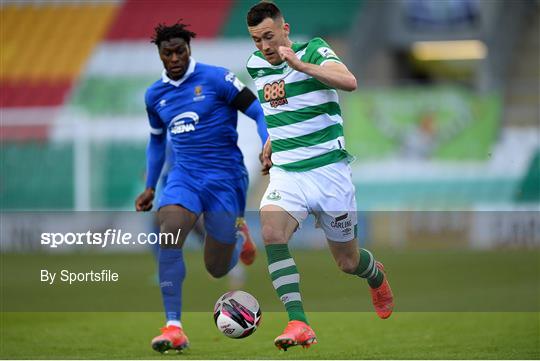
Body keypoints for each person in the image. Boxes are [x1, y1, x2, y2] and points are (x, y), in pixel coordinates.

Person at [245, 2, 394, 351]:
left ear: (285, 29)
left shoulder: (313, 48)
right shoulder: (256, 66)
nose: (264, 47)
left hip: (329, 174)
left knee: (347, 262)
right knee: (270, 230)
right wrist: (270, 138)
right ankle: (298, 322)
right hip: (287, 175)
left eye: (269, 36)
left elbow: (349, 81)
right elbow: (277, 108)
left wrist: (301, 65)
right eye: (256, 40)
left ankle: (375, 275)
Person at [135, 22, 268, 354]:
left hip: (225, 178)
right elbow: (156, 141)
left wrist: (267, 144)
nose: (175, 57)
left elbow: (257, 111)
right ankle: (174, 326)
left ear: (189, 49)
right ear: (160, 55)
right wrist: (151, 186)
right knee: (170, 229)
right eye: (168, 53)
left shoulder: (217, 79)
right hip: (185, 177)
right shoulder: (155, 95)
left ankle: (238, 239)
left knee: (216, 266)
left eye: (181, 50)